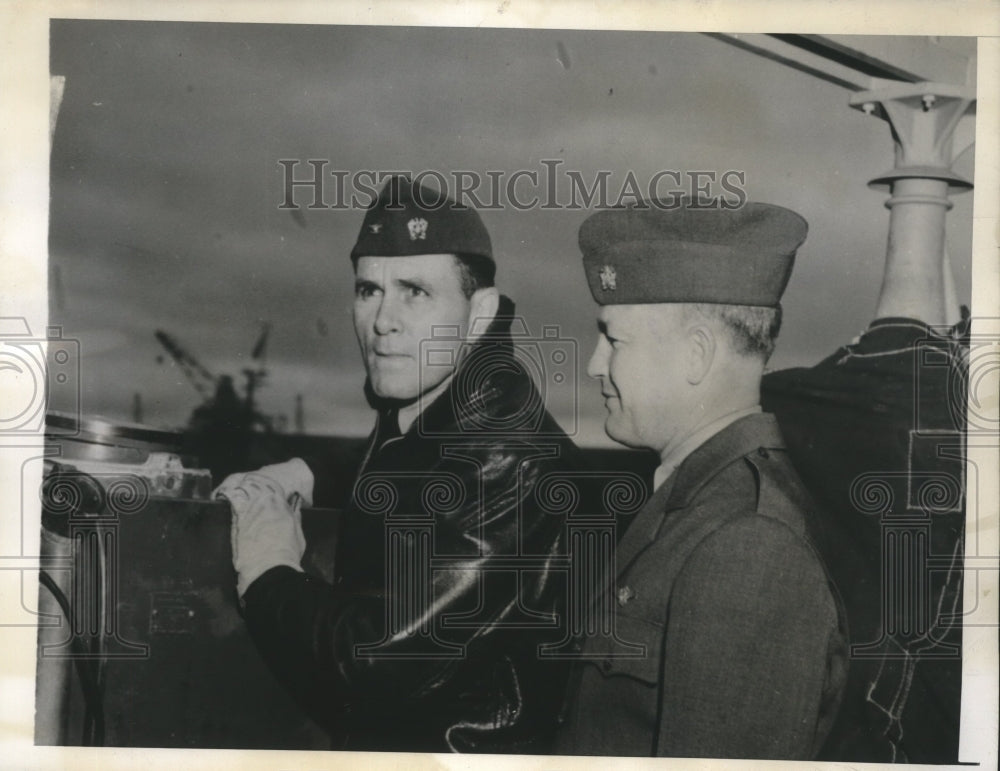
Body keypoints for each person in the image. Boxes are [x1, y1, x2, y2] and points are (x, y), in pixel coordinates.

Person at [214, 176, 582, 754]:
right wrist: (305, 473)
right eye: (369, 291)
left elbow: (381, 657)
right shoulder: (443, 403)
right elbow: (404, 460)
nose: (383, 320)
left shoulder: (505, 457)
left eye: (415, 292)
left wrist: (268, 570)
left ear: (480, 313)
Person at [554, 199, 848, 759]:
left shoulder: (749, 546)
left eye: (614, 341)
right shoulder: (701, 502)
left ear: (696, 354)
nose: (594, 365)